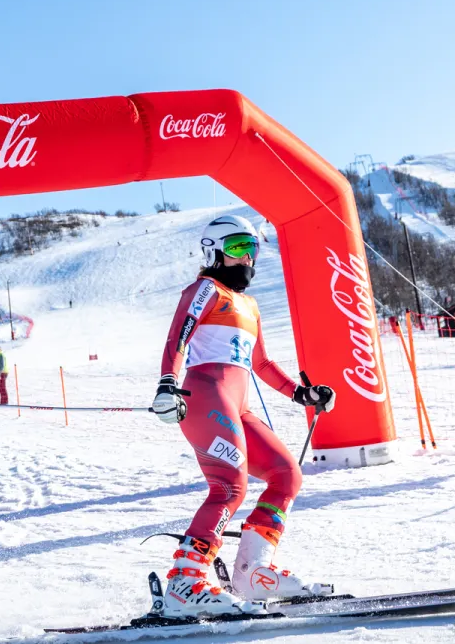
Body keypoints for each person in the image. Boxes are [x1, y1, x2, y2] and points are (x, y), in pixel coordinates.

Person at [150, 215, 337, 618]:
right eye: (237, 248)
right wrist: (168, 382)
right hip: (204, 396)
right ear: (213, 251)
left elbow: (262, 362)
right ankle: (184, 582)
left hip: (239, 404)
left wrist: (301, 393)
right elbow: (178, 335)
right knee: (229, 488)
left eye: (252, 249)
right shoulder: (206, 289)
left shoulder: (250, 304)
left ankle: (252, 572)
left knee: (287, 475)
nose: (247, 258)